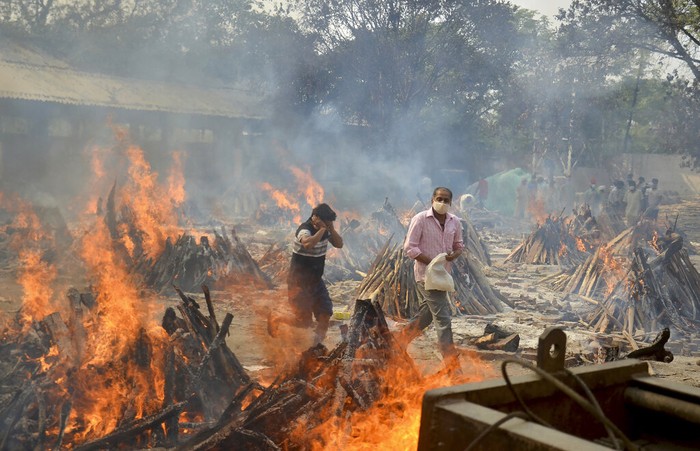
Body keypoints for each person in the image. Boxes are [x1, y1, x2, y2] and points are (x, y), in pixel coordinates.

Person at [398, 187, 464, 370]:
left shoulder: (455, 222)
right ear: (432, 199)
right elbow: (410, 248)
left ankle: (398, 341)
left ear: (451, 202)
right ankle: (452, 365)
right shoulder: (420, 219)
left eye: (446, 200)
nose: (442, 203)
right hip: (425, 276)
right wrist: (432, 262)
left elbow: (459, 245)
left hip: (443, 277)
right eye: (439, 199)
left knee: (427, 315)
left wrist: (454, 254)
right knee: (443, 318)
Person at [270, 203, 343, 344]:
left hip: (316, 281)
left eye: (330, 222)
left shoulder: (326, 230)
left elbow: (339, 244)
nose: (328, 225)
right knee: (304, 322)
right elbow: (308, 244)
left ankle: (317, 345)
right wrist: (322, 229)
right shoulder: (304, 230)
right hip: (298, 283)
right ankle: (276, 317)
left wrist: (331, 229)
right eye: (327, 222)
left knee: (325, 314)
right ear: (316, 218)